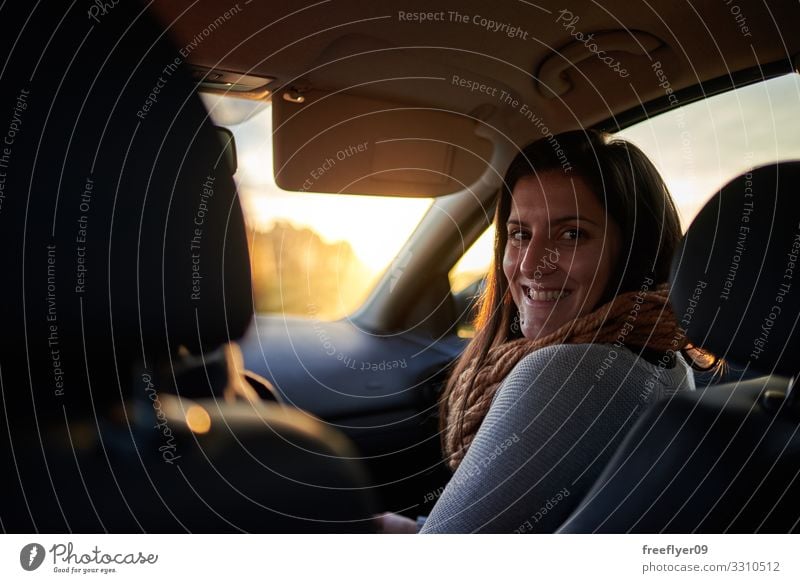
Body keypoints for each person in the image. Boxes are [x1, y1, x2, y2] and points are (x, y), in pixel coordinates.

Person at [375, 129, 703, 533]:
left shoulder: (574, 373)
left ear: (635, 250)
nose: (531, 264)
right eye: (519, 234)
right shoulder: (660, 358)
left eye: (571, 234)